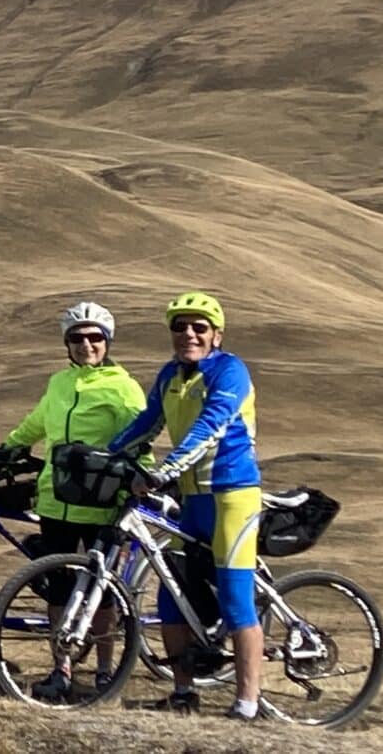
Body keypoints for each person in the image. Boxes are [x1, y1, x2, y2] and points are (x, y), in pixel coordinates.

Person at [109, 291, 267, 720]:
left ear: (216, 335)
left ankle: (248, 701)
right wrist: (106, 455)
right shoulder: (169, 375)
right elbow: (147, 424)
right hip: (192, 500)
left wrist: (165, 469)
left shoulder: (230, 371)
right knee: (171, 596)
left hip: (231, 495)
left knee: (236, 600)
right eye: (180, 326)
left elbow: (211, 426)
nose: (189, 334)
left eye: (199, 327)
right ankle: (183, 693)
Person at [0, 301, 144, 700]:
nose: (86, 344)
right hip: (55, 500)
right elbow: (37, 422)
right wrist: (8, 448)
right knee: (59, 588)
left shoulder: (122, 386)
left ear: (107, 342)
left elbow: (139, 436)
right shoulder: (59, 383)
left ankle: (103, 671)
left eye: (95, 337)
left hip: (103, 501)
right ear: (67, 343)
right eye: (77, 338)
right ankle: (60, 669)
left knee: (103, 592)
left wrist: (141, 475)